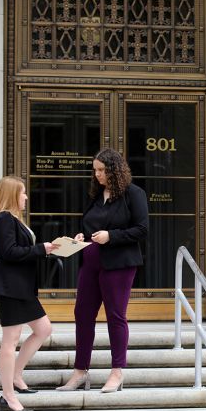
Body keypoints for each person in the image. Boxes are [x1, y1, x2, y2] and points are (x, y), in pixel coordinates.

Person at [57, 148, 149, 393]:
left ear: (114, 170)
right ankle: (80, 371)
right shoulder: (97, 195)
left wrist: (112, 236)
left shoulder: (134, 194)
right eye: (95, 170)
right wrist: (81, 237)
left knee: (115, 316)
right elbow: (90, 228)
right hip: (91, 262)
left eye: (101, 170)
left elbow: (142, 229)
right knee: (82, 314)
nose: (97, 174)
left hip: (119, 264)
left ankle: (117, 372)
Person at [0, 176, 58, 411]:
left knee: (44, 329)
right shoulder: (4, 218)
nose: (26, 197)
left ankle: (15, 375)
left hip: (20, 286)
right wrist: (42, 248)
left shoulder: (13, 220)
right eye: (23, 192)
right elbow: (10, 252)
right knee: (11, 340)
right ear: (12, 194)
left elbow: (21, 251)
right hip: (9, 286)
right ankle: (8, 395)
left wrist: (51, 247)